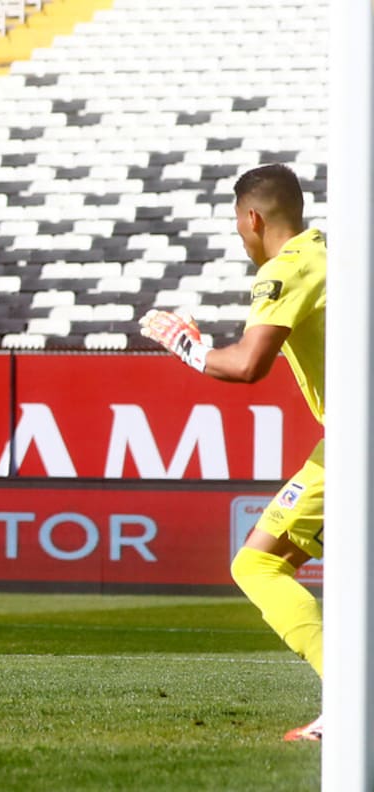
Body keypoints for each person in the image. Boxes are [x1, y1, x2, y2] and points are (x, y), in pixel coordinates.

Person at [139, 163, 325, 742]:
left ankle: (352, 700)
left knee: (257, 564)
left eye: (238, 227)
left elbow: (247, 365)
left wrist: (186, 347)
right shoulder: (332, 256)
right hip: (343, 442)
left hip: (357, 442)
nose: (242, 238)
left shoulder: (287, 267)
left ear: (253, 218)